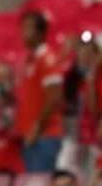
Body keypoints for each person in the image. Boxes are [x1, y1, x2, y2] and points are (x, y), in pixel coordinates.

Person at [16, 10, 65, 172]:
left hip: (44, 135)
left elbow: (54, 97)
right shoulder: (30, 60)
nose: (24, 33)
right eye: (23, 28)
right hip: (30, 134)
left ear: (41, 33)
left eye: (28, 28)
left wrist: (37, 128)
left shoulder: (48, 59)